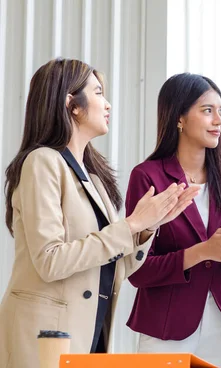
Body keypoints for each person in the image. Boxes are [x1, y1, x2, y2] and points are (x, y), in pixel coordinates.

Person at [0, 58, 197, 367]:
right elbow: (50, 261)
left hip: (88, 336)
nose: (107, 104)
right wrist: (131, 224)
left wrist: (146, 228)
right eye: (98, 93)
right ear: (72, 104)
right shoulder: (42, 162)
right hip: (44, 339)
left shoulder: (93, 179)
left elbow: (111, 266)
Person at [125, 73, 221, 368]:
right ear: (179, 117)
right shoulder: (147, 177)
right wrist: (204, 251)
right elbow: (138, 270)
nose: (218, 120)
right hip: (165, 328)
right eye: (207, 110)